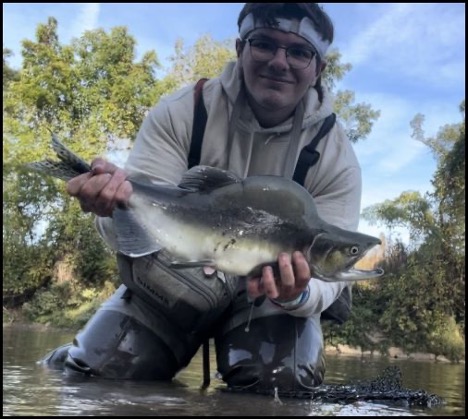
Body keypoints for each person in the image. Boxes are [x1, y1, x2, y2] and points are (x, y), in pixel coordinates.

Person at [43, 3, 361, 397]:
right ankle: (75, 353)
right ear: (240, 48)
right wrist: (108, 209)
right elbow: (134, 219)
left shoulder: (336, 157)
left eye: (299, 52)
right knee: (91, 377)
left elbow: (328, 282)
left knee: (284, 385)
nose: (280, 62)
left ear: (318, 69)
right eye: (264, 44)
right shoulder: (181, 112)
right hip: (175, 284)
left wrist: (297, 292)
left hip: (266, 304)